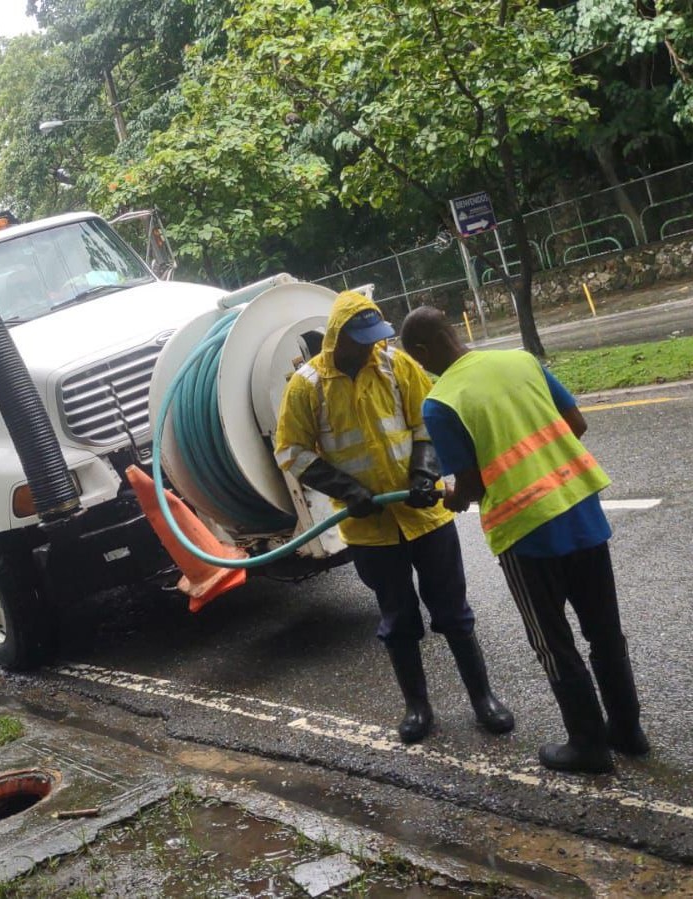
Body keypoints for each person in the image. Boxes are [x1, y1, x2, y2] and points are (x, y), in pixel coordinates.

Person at [399, 306, 648, 774]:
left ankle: (588, 744)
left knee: (553, 643)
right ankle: (629, 732)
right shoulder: (520, 360)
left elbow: (470, 486)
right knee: (604, 631)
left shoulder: (442, 401)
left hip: (526, 532)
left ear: (422, 352)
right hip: (581, 508)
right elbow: (575, 424)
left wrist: (450, 497)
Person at [274, 291, 514, 744]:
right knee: (397, 619)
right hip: (370, 529)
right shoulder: (307, 387)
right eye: (361, 340)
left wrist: (425, 470)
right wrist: (347, 490)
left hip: (426, 518)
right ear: (337, 338)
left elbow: (427, 421)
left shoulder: (395, 364)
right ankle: (418, 708)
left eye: (375, 338)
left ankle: (483, 699)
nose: (371, 347)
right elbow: (291, 451)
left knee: (454, 612)